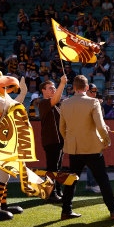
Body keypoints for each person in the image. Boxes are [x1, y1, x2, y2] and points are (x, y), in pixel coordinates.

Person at [59, 75, 114, 221]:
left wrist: (69, 141)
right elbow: (101, 126)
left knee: (71, 180)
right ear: (87, 88)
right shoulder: (93, 102)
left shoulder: (65, 103)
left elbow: (62, 128)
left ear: (73, 88)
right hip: (92, 148)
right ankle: (113, 211)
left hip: (74, 149)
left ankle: (66, 210)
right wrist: (106, 141)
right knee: (103, 180)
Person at [0, 72, 27, 220]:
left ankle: (3, 205)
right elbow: (14, 106)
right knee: (3, 175)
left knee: (6, 175)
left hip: (3, 140)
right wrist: (23, 92)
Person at [38, 74, 68, 202]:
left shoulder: (56, 104)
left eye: (54, 87)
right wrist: (62, 84)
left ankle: (57, 190)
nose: (53, 89)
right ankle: (51, 194)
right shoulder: (43, 103)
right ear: (43, 91)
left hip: (59, 140)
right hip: (51, 140)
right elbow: (55, 100)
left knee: (57, 168)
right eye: (50, 88)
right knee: (52, 168)